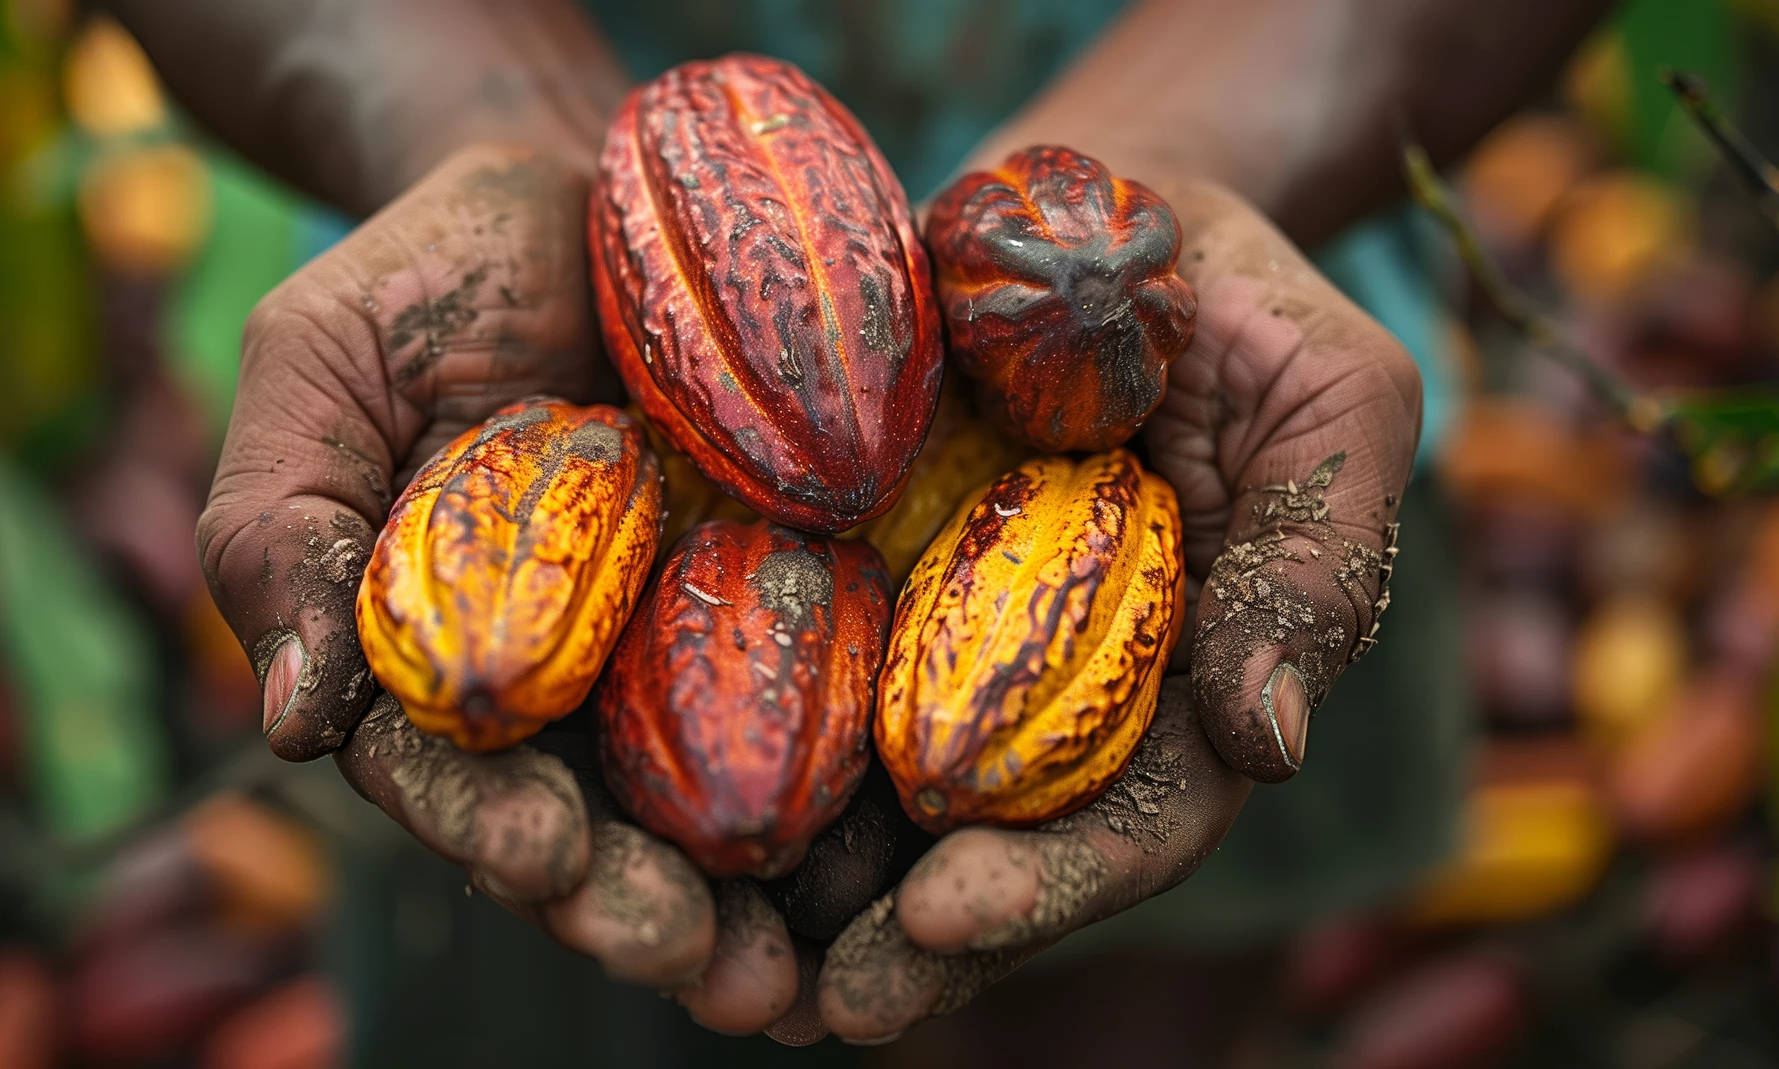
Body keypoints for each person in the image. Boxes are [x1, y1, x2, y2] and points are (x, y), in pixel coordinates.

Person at [98, 0, 1610, 1049]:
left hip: (1231, 313)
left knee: (1146, 999)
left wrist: (1182, 168)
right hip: (508, 188)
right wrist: (478, 131)